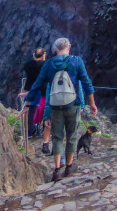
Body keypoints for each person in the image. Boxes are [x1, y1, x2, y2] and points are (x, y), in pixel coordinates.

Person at [26, 38, 97, 182]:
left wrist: (27, 103)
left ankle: (57, 170)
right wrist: (92, 103)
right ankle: (69, 167)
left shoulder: (49, 64)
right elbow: (86, 83)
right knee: (71, 136)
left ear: (54, 50)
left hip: (55, 106)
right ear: (69, 47)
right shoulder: (77, 61)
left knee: (57, 137)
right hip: (74, 104)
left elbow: (37, 84)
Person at [22, 48, 46, 137]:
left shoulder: (27, 65)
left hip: (30, 88)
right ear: (43, 55)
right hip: (42, 88)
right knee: (44, 108)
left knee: (31, 109)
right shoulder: (44, 64)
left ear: (34, 55)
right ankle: (43, 129)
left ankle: (30, 131)